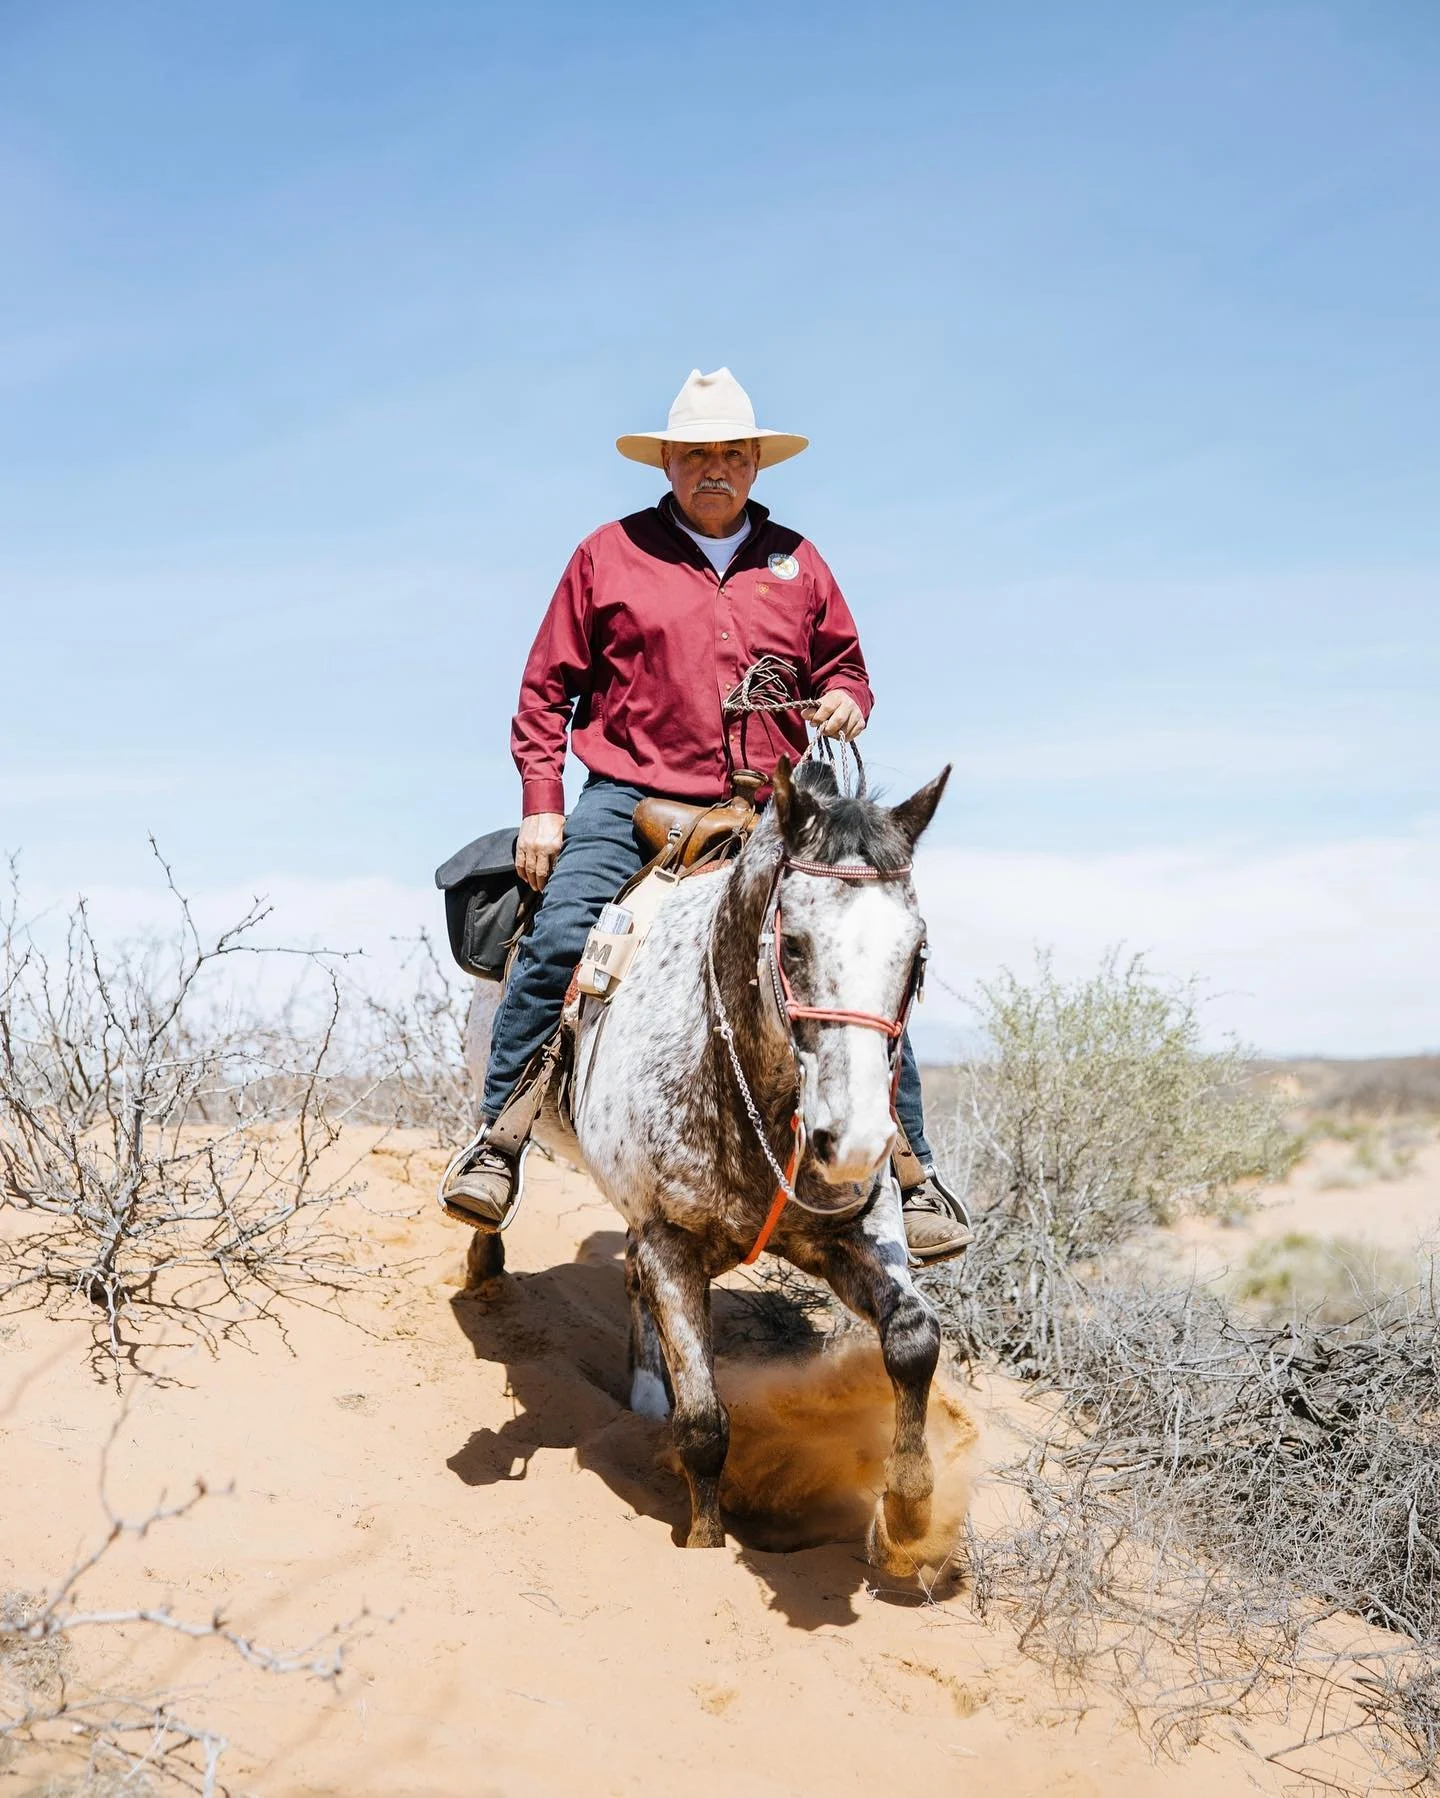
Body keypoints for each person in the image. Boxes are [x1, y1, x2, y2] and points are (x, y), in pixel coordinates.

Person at [440, 368, 970, 1261]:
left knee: (854, 955)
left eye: (731, 453)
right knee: (564, 934)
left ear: (758, 463)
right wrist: (541, 807)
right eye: (696, 454)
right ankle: (500, 1138)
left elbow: (848, 669)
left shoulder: (799, 562)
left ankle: (909, 1174)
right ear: (670, 463)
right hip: (631, 797)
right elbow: (544, 694)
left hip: (774, 807)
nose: (713, 468)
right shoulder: (608, 554)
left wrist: (843, 701)